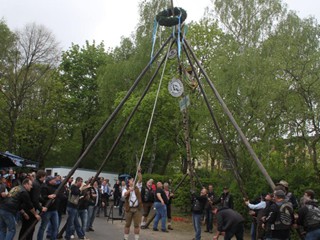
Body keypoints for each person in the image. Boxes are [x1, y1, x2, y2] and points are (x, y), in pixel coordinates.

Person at [19, 170, 47, 240]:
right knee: (30, 228)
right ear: (41, 177)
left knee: (25, 227)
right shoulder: (37, 184)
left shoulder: (36, 183)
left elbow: (36, 197)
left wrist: (45, 199)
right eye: (44, 177)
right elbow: (35, 200)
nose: (45, 178)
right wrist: (41, 208)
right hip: (29, 208)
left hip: (26, 207)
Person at [37, 175, 58, 240]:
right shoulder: (44, 187)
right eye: (54, 180)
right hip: (47, 210)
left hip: (54, 210)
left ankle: (53, 238)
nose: (55, 180)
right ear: (50, 181)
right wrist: (48, 196)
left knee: (55, 227)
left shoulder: (56, 187)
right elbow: (42, 197)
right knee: (43, 227)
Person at [123, 170, 143, 240]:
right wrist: (129, 190)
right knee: (127, 224)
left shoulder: (137, 187)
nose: (133, 181)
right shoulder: (125, 189)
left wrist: (139, 172)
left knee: (137, 225)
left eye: (133, 180)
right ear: (129, 182)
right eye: (132, 180)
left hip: (137, 209)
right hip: (129, 209)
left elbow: (140, 179)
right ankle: (125, 238)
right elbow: (124, 195)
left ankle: (136, 239)